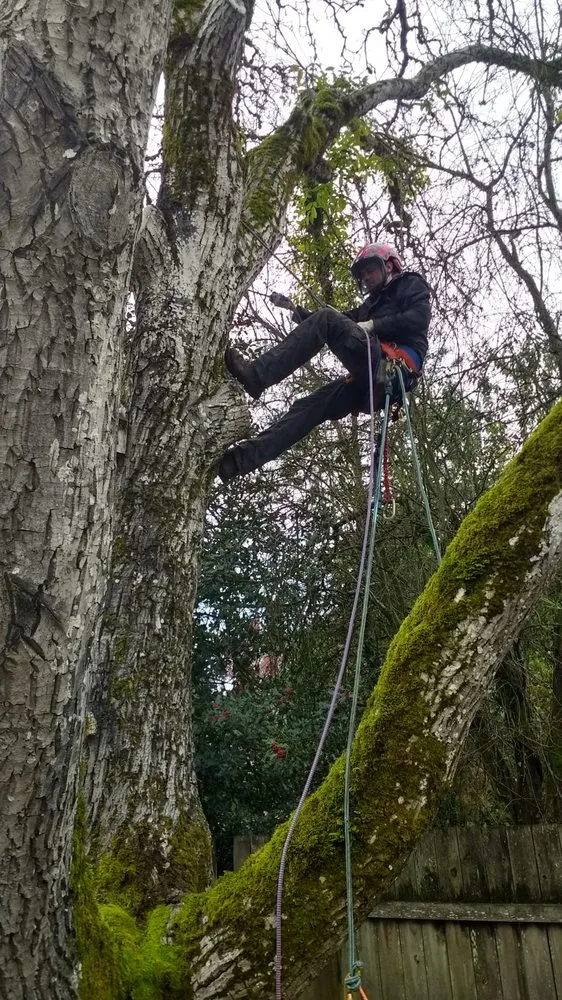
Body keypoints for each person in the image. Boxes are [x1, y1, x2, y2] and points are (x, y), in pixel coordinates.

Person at [218, 243, 431, 483]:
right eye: (362, 275)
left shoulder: (409, 284)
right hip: (369, 380)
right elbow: (340, 322)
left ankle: (256, 376)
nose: (366, 277)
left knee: (328, 320)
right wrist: (298, 312)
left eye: (369, 270)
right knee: (307, 407)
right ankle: (237, 462)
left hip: (392, 370)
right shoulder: (369, 305)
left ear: (389, 265)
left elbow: (419, 317)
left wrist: (373, 325)